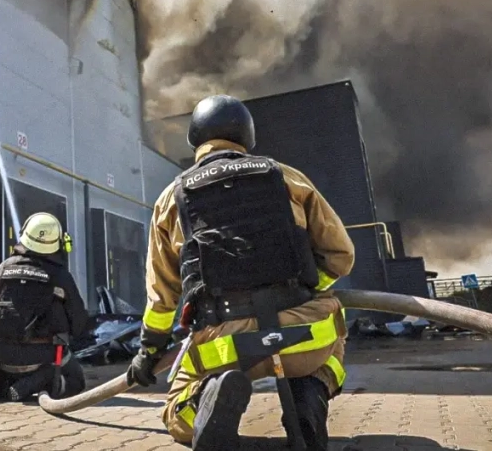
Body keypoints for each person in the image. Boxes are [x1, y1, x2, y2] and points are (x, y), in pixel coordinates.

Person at [126, 94, 356, 450]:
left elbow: (163, 295)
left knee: (176, 412)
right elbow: (341, 255)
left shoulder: (172, 198)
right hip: (304, 336)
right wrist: (309, 289)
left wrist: (149, 350)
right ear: (247, 136)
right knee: (334, 331)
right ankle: (311, 393)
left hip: (225, 347)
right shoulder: (287, 177)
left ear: (194, 139)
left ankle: (205, 401)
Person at [0, 212, 89, 403]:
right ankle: (44, 380)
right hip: (46, 355)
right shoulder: (59, 275)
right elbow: (78, 319)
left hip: (4, 352)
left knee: (10, 367)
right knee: (76, 382)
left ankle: (0, 379)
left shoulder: (3, 268)